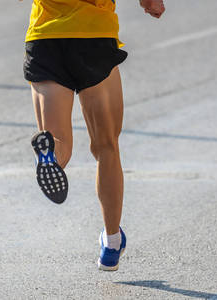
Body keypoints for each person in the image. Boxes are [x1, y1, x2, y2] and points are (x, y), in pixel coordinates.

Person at [22, 0, 165, 271]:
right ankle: (112, 242)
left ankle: (49, 153)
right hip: (93, 35)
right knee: (106, 146)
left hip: (45, 39)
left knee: (58, 141)